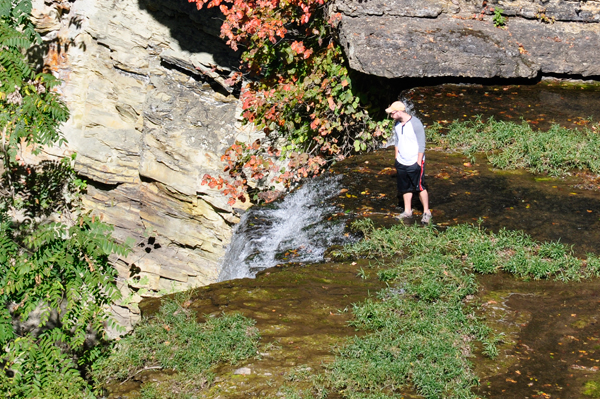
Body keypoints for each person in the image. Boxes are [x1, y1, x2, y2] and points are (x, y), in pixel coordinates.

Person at [385, 101, 432, 224]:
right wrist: (396, 158)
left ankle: (426, 211)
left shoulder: (415, 124)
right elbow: (397, 142)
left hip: (414, 161)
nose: (391, 116)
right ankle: (407, 211)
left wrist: (418, 162)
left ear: (399, 112)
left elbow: (422, 144)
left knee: (420, 187)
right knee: (405, 188)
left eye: (392, 113)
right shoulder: (397, 124)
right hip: (402, 161)